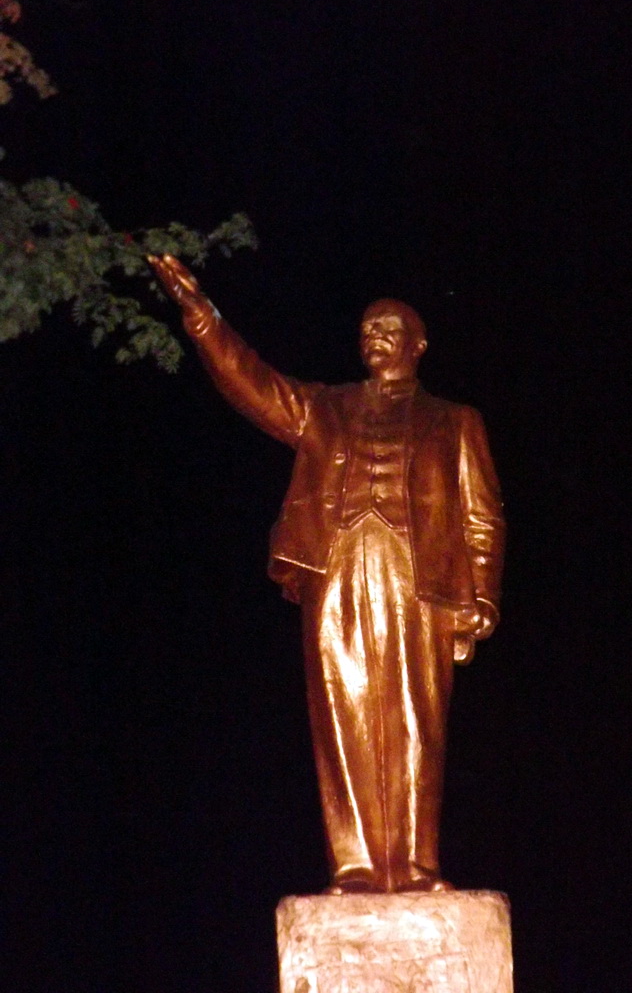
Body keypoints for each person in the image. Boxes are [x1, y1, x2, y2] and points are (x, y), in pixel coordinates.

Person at [149, 254, 506, 893]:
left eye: (389, 327)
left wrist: (483, 594)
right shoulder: (325, 407)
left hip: (420, 574)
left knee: (416, 719)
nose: (375, 336)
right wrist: (202, 315)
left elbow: (483, 516)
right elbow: (252, 383)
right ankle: (356, 864)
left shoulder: (455, 421)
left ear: (419, 344)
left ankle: (416, 864)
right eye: (367, 328)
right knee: (342, 710)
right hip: (336, 563)